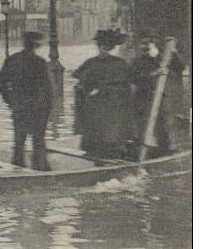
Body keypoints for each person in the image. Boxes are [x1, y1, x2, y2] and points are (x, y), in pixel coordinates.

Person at [0, 31, 53, 170]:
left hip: (19, 106)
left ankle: (17, 171)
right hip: (37, 107)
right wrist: (47, 107)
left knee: (19, 141)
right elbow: (47, 89)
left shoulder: (12, 60)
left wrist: (10, 100)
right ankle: (41, 171)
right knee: (38, 141)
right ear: (36, 46)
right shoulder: (39, 62)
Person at [72, 29, 133, 159]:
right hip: (95, 107)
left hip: (113, 108)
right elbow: (78, 76)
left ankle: (112, 156)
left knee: (111, 138)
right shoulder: (91, 62)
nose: (102, 50)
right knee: (95, 138)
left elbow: (126, 85)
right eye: (100, 46)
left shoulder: (119, 64)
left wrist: (105, 89)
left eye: (105, 47)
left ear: (110, 47)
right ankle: (97, 158)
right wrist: (86, 88)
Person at [128, 31, 185, 159]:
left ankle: (163, 153)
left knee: (161, 128)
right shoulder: (137, 62)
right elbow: (133, 78)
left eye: (148, 44)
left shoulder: (161, 59)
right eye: (143, 45)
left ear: (153, 45)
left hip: (159, 99)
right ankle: (141, 155)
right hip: (142, 100)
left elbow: (180, 67)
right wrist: (154, 74)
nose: (145, 48)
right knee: (142, 129)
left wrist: (173, 52)